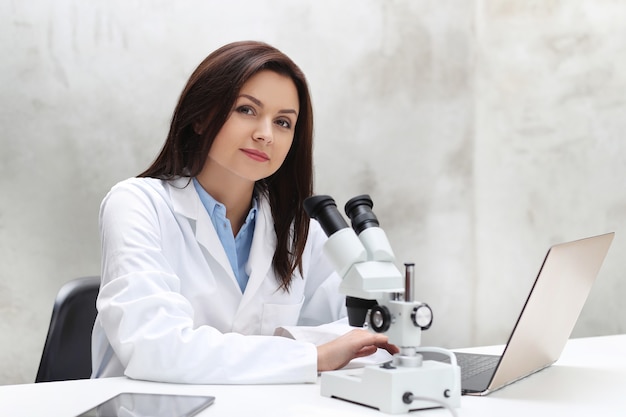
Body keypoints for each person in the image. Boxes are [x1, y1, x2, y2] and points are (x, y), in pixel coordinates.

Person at [91, 40, 398, 384]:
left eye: (283, 122)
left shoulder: (298, 229)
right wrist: (309, 355)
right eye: (247, 110)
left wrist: (295, 351)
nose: (265, 134)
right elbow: (157, 349)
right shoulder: (137, 204)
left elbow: (362, 330)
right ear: (201, 118)